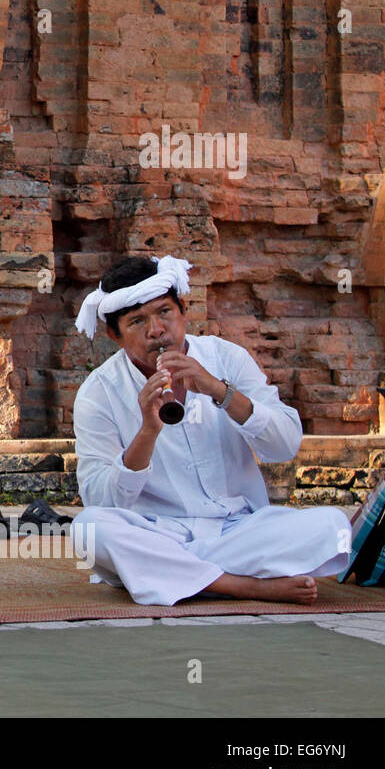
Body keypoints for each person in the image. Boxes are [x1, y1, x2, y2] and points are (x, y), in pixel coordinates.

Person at [70, 254, 351, 606]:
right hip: (159, 532)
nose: (156, 330)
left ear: (183, 311)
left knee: (335, 527)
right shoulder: (99, 392)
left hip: (239, 529)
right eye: (137, 321)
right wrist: (147, 432)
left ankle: (170, 575)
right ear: (115, 334)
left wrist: (221, 391)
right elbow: (102, 501)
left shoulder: (226, 358)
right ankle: (246, 586)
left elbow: (285, 444)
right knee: (89, 530)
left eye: (164, 313)